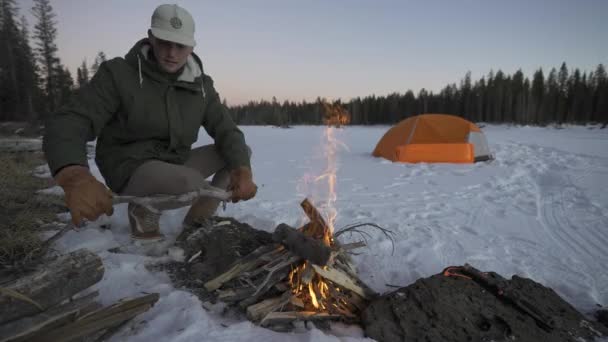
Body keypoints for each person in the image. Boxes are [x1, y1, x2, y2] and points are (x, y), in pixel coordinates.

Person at [43, 4, 257, 241]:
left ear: (192, 46)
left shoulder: (201, 86)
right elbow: (71, 120)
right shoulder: (119, 74)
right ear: (151, 38)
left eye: (180, 45)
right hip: (129, 167)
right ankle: (142, 207)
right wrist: (75, 176)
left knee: (239, 154)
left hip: (173, 163)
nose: (172, 53)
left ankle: (198, 220)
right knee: (189, 183)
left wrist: (242, 170)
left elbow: (227, 130)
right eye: (165, 42)